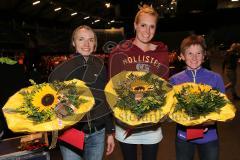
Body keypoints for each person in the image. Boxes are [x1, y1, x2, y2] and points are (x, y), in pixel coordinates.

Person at [109, 5, 169, 160]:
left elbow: (164, 87)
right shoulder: (119, 52)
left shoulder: (161, 53)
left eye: (152, 26)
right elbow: (113, 88)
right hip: (126, 123)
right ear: (135, 25)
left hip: (151, 124)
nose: (147, 31)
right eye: (143, 25)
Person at [48, 25, 115, 160]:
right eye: (81, 39)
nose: (86, 44)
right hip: (71, 133)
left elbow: (105, 100)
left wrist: (110, 131)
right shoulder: (61, 70)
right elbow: (52, 104)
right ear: (74, 42)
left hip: (97, 133)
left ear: (95, 44)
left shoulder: (101, 67)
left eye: (91, 40)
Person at [169, 35, 225, 160]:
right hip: (184, 136)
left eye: (198, 53)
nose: (194, 57)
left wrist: (209, 119)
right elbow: (170, 108)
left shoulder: (215, 78)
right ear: (182, 56)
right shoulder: (174, 80)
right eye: (190, 53)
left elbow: (223, 107)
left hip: (209, 136)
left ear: (204, 55)